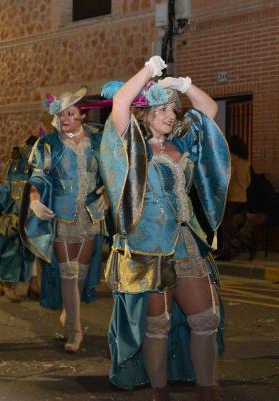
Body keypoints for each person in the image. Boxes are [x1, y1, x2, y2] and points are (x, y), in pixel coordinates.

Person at [99, 56, 229, 401]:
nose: (171, 116)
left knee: (206, 318)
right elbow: (121, 101)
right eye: (163, 111)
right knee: (159, 324)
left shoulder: (180, 142)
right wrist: (148, 72)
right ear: (147, 114)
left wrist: (182, 86)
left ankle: (206, 385)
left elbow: (210, 110)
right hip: (149, 245)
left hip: (186, 241)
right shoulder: (131, 142)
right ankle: (160, 391)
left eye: (174, 110)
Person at [22, 88, 108, 352]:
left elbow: (112, 170)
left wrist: (109, 193)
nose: (65, 118)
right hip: (62, 215)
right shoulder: (48, 143)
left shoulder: (97, 140)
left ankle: (71, 311)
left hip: (92, 214)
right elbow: (37, 176)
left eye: (70, 113)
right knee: (68, 274)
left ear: (83, 115)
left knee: (80, 274)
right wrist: (35, 201)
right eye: (61, 114)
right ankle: (75, 330)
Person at [0, 138, 39, 302]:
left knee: (32, 251)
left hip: (31, 217)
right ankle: (8, 285)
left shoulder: (37, 171)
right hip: (17, 218)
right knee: (13, 249)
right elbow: (8, 193)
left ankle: (31, 285)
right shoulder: (18, 170)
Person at [216, 135, 251, 260]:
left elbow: (228, 178)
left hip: (231, 195)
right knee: (227, 223)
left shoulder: (232, 159)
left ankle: (247, 244)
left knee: (226, 224)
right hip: (241, 196)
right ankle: (227, 250)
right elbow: (248, 181)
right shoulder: (245, 161)